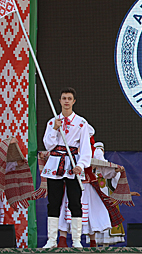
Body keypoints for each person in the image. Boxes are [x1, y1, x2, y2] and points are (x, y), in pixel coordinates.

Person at [42, 87, 92, 248]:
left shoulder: (81, 123)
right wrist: (55, 129)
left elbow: (85, 147)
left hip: (73, 163)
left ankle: (77, 240)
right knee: (53, 202)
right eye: (64, 98)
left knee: (75, 202)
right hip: (56, 162)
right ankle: (51, 240)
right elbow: (48, 145)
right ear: (60, 101)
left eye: (69, 98)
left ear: (74, 101)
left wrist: (81, 165)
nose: (66, 101)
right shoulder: (52, 122)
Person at [57, 140, 125, 248]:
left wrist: (114, 170)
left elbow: (104, 168)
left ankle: (93, 242)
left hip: (88, 185)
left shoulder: (94, 151)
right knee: (66, 212)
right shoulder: (67, 148)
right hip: (71, 183)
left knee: (91, 214)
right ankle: (62, 240)